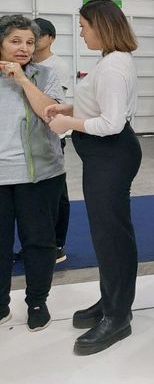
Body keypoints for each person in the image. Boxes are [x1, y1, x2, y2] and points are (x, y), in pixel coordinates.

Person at [45, 0, 142, 355]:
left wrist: (67, 122)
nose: (81, 32)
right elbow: (101, 106)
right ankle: (111, 301)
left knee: (111, 236)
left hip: (110, 155)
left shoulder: (113, 66)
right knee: (108, 234)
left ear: (100, 26)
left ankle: (118, 316)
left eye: (84, 26)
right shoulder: (111, 60)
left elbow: (111, 123)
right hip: (106, 156)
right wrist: (69, 108)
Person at [0, 15, 66, 332]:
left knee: (39, 243)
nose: (24, 48)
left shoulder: (46, 75)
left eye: (29, 42)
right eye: (15, 41)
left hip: (41, 175)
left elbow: (52, 115)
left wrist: (24, 81)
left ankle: (37, 302)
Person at [33, 17, 71, 264]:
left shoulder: (58, 66)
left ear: (50, 38)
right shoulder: (26, 64)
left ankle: (57, 244)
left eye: (38, 36)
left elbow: (52, 104)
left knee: (57, 192)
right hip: (30, 138)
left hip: (54, 136)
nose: (33, 41)